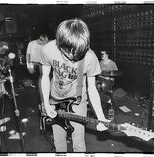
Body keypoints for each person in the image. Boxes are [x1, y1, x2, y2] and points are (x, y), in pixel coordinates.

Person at [39, 18, 110, 152]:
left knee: (79, 143)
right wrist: (46, 103)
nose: (72, 57)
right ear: (59, 43)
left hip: (77, 100)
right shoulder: (48, 49)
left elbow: (92, 88)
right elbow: (45, 77)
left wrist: (100, 116)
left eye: (77, 53)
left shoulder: (89, 57)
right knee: (59, 143)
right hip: (55, 99)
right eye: (68, 52)